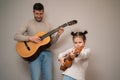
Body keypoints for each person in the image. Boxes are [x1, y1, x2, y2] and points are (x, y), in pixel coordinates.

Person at [14, 3, 64, 80]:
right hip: (33, 54)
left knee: (48, 78)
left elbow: (51, 43)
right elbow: (16, 36)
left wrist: (58, 35)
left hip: (47, 54)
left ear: (43, 12)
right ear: (33, 12)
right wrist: (30, 38)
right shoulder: (28, 23)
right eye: (37, 13)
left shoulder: (48, 25)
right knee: (35, 78)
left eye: (41, 13)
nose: (39, 16)